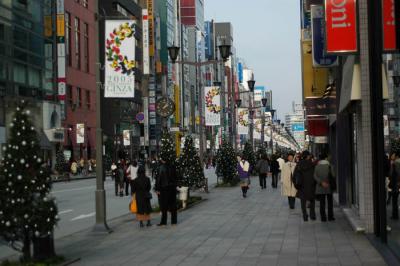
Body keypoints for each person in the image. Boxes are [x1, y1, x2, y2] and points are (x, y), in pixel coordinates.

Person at [293, 151, 316, 222]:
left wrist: (296, 185)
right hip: (311, 185)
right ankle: (312, 215)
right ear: (308, 156)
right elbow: (315, 175)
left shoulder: (298, 164)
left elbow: (294, 176)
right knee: (312, 200)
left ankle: (305, 216)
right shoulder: (312, 164)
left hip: (302, 186)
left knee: (303, 202)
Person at [155, 157, 178, 226]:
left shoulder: (161, 167)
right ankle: (174, 221)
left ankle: (163, 222)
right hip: (172, 188)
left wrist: (157, 189)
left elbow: (158, 179)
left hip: (163, 189)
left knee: (163, 206)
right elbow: (176, 177)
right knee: (173, 205)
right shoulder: (173, 167)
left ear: (162, 160)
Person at [314, 153, 335, 222]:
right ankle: (330, 217)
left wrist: (321, 182)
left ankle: (323, 218)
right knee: (330, 203)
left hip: (320, 187)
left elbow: (315, 176)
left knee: (322, 203)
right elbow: (333, 176)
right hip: (328, 186)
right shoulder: (330, 166)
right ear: (326, 158)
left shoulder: (317, 166)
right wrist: (327, 182)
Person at [390, 151, 400, 220]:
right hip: (397, 183)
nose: (391, 156)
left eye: (392, 155)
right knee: (395, 199)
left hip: (395, 183)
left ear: (396, 156)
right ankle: (395, 215)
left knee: (394, 200)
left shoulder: (395, 163)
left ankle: (395, 215)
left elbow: (393, 174)